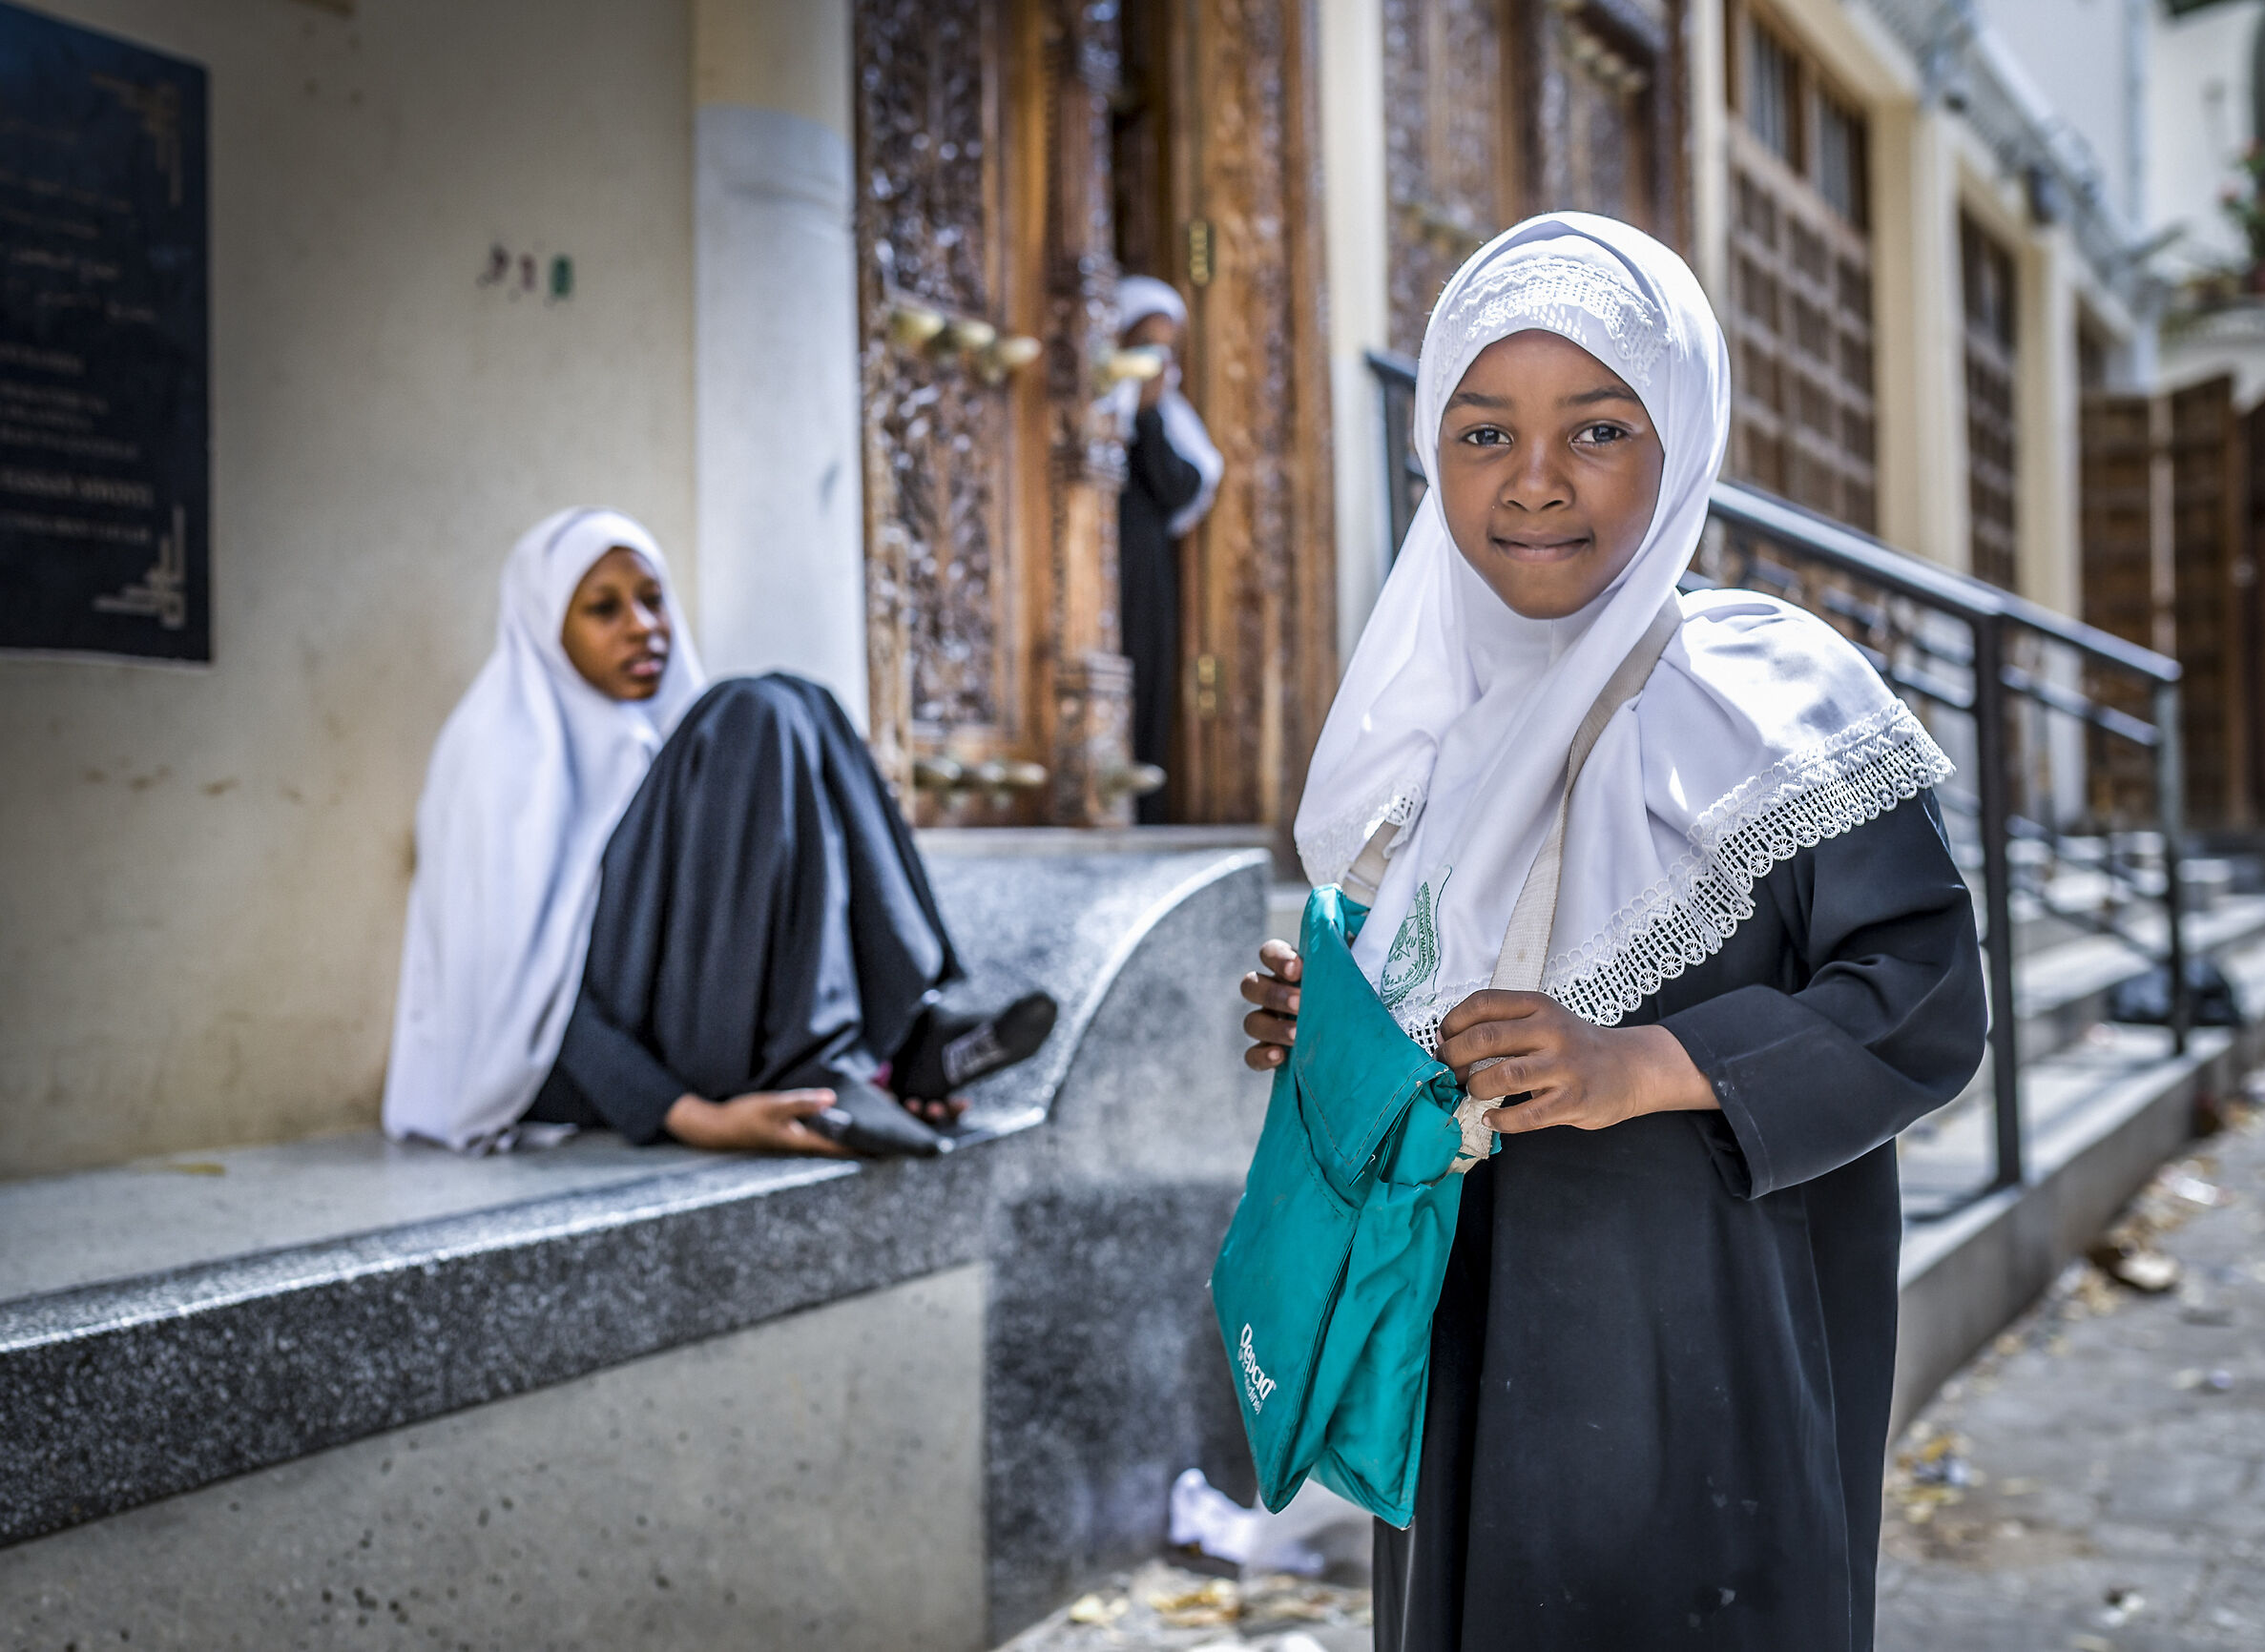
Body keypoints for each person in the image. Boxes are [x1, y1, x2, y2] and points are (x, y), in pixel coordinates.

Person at [1236, 216, 1984, 1649]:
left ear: (1683, 436)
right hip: (1459, 1329)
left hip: (1698, 1340)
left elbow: (1925, 997)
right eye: (1479, 432)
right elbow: (1431, 973)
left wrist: (1643, 1064)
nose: (1532, 482)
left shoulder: (1780, 700)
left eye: (1597, 428)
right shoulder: (1424, 716)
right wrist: (1335, 1027)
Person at [384, 506, 1054, 1160]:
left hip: (691, 1034)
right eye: (604, 609)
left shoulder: (656, 740)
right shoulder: (498, 754)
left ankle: (908, 1043)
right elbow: (525, 992)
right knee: (749, 713)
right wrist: (695, 1119)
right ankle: (828, 1070)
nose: (643, 627)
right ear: (543, 626)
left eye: (653, 600)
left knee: (800, 701)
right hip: (582, 1074)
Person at [1113, 275, 1225, 824]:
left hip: (1145, 574)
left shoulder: (1164, 416)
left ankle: (1143, 805)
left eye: (1166, 347)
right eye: (1144, 345)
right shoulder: (1098, 407)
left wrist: (1150, 413)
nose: (1158, 360)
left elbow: (1181, 486)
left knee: (1148, 677)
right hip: (1097, 572)